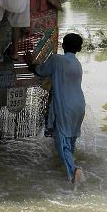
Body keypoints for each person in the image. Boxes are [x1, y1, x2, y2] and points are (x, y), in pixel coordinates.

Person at [25, 33, 86, 183]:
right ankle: (67, 165)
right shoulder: (77, 64)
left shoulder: (57, 60)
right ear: (78, 48)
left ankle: (73, 171)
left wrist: (29, 61)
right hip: (79, 105)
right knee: (70, 139)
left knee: (61, 140)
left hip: (65, 106)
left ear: (63, 46)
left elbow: (39, 70)